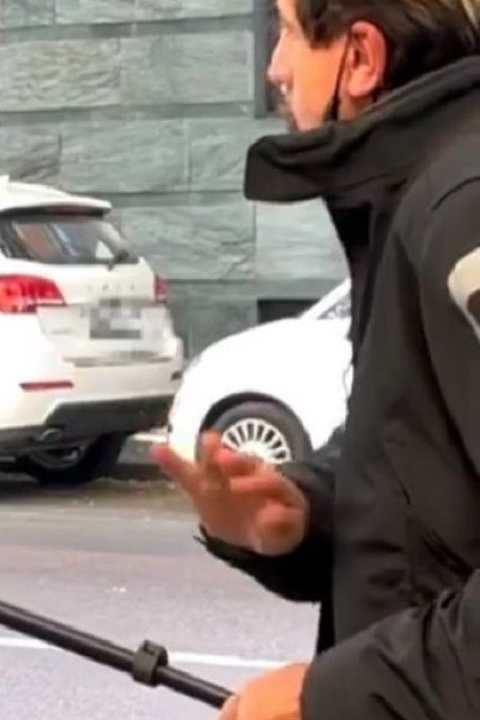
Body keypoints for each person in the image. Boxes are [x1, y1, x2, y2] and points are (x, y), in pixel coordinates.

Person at [150, 0, 480, 718]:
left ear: (359, 58)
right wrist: (305, 510)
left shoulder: (461, 206)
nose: (274, 67)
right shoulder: (418, 190)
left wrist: (331, 693)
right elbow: (421, 462)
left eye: (289, 33)